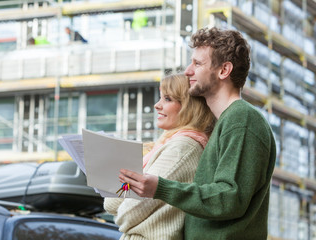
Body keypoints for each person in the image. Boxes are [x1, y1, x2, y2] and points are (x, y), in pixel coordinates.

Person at [119, 27, 277, 239]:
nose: (187, 71)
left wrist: (161, 188)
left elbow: (229, 198)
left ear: (224, 70)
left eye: (198, 63)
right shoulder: (226, 122)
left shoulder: (242, 120)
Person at [104, 73, 215, 240]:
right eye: (160, 97)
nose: (157, 105)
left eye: (168, 99)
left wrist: (122, 190)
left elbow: (128, 211)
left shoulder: (182, 148)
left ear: (188, 106)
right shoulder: (170, 145)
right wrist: (125, 187)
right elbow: (112, 203)